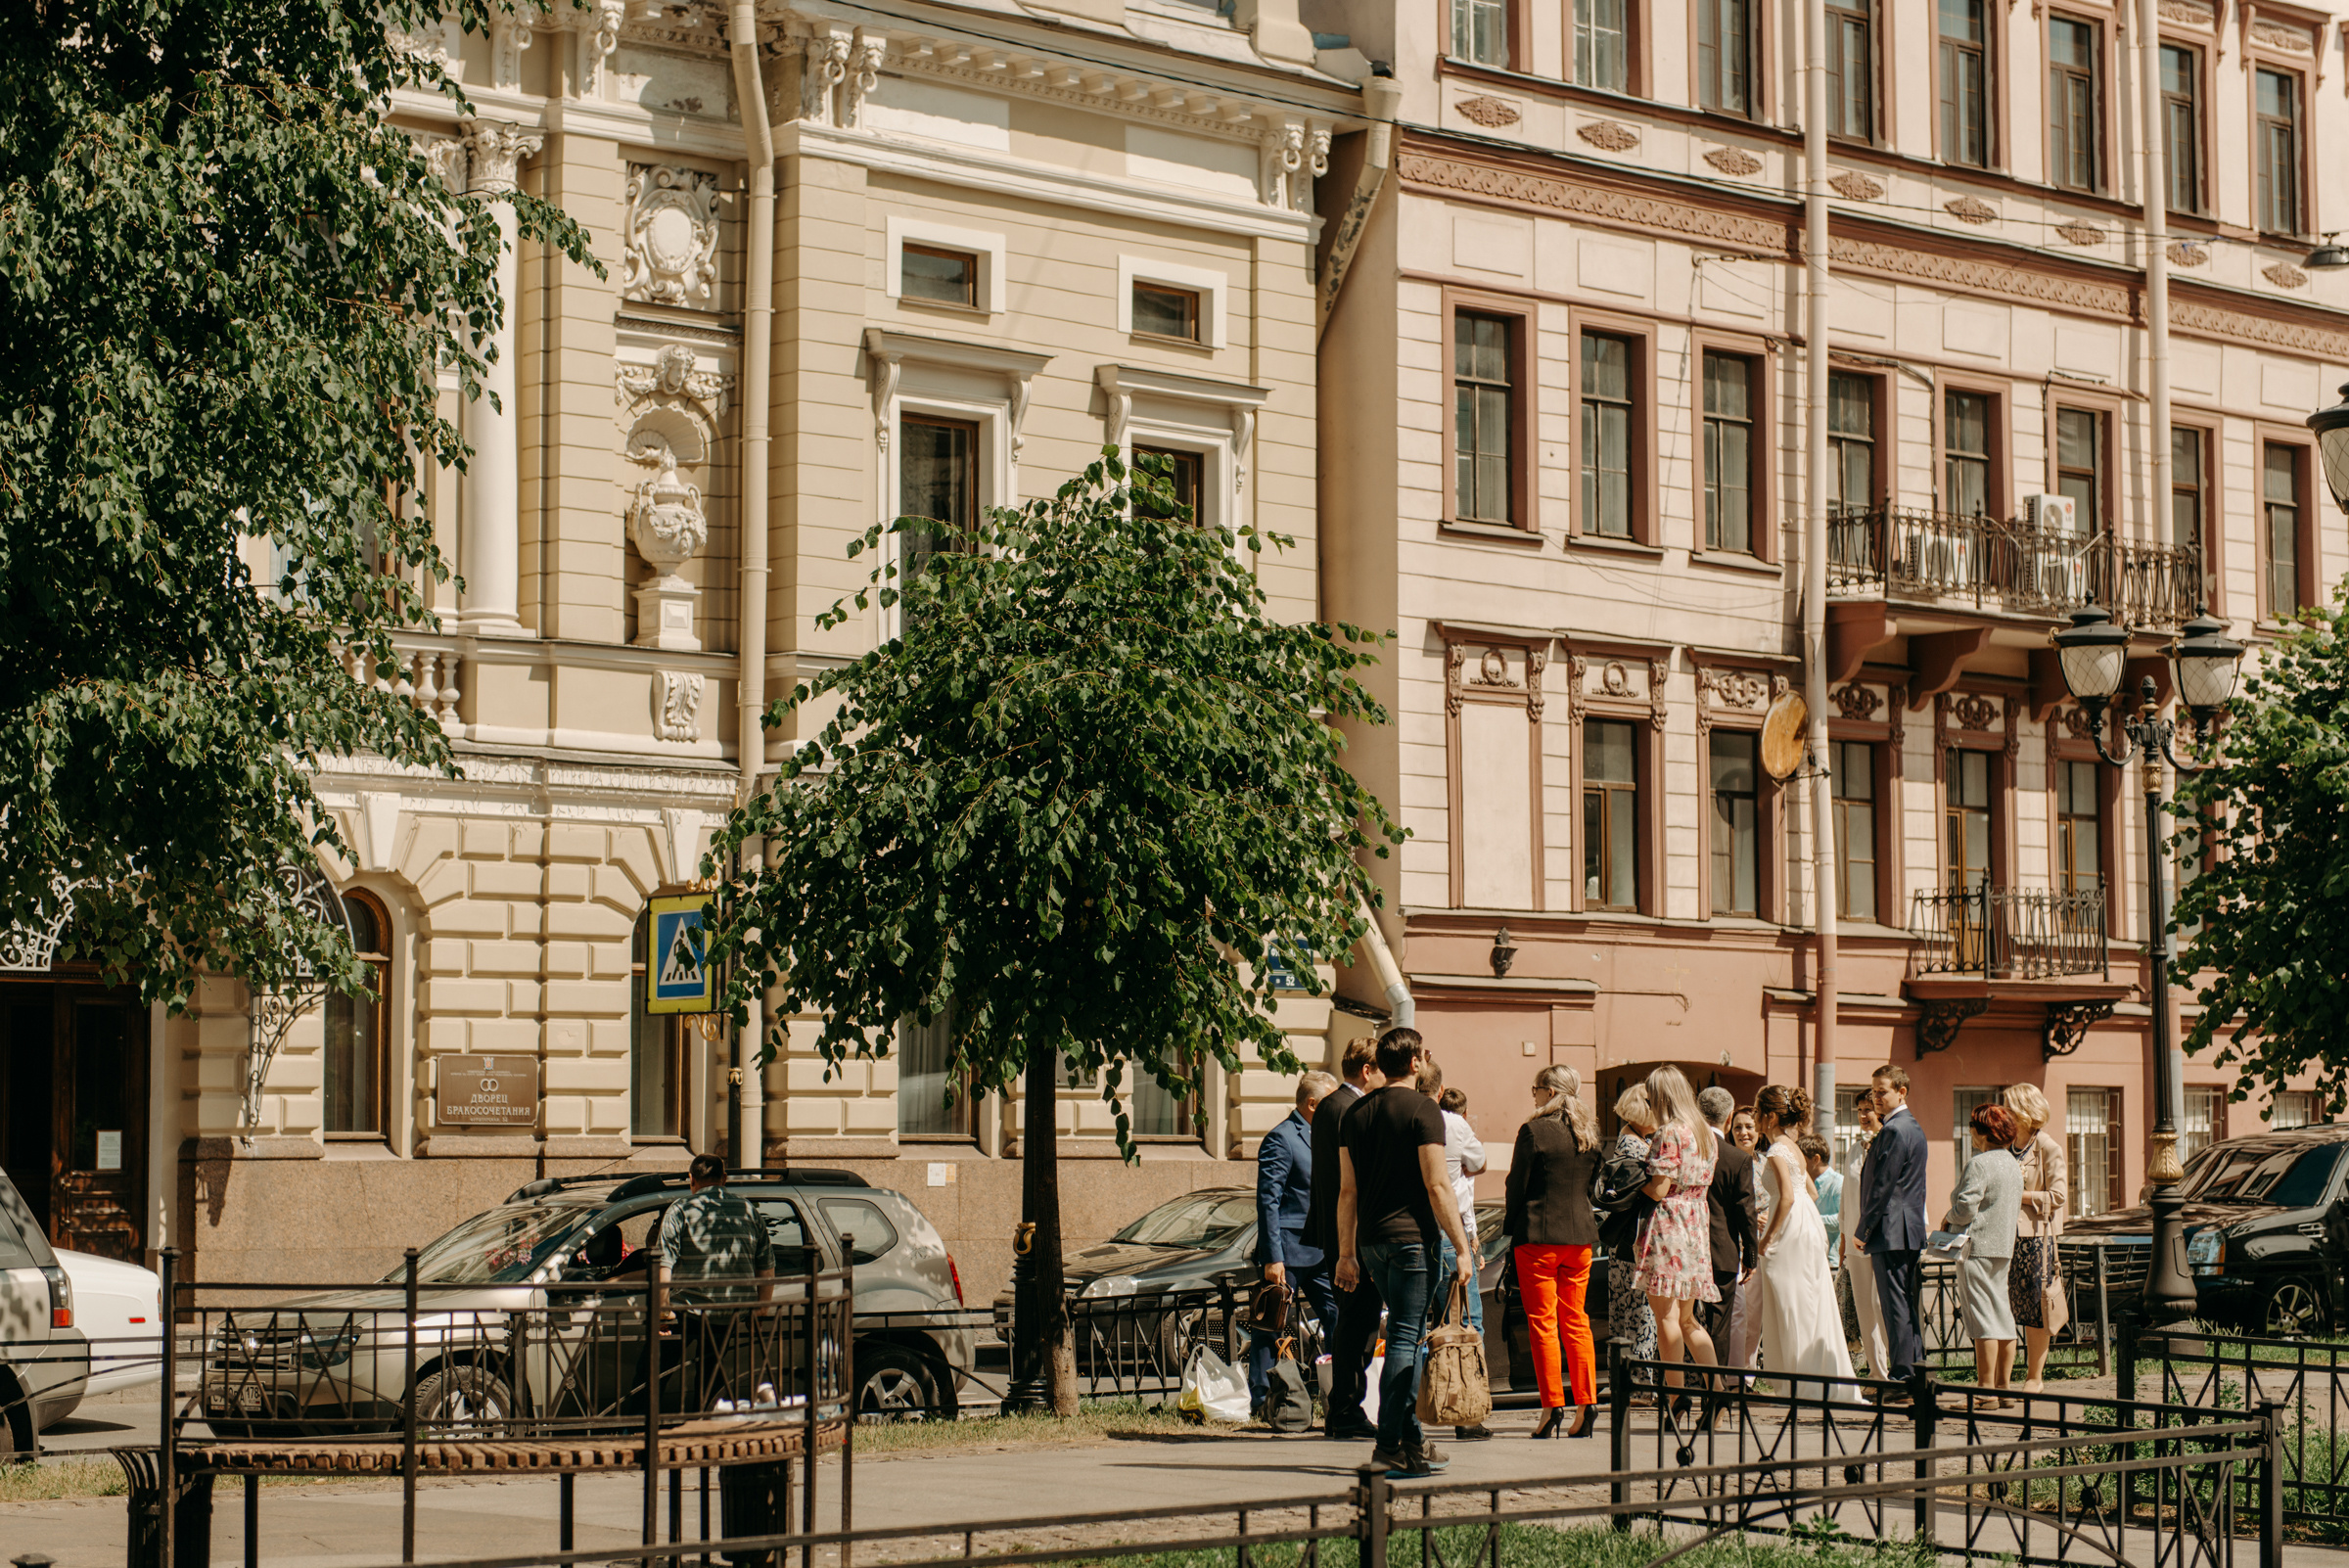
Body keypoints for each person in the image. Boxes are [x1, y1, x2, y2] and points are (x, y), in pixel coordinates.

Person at [1334, 1028, 1475, 1479]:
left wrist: (1346, 1253)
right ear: (1415, 1063)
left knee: (1403, 1334)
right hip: (1413, 1238)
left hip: (1372, 1242)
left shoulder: (1354, 1114)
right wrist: (1462, 1246)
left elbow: (1347, 1191)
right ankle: (1390, 1444)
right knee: (1404, 1337)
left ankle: (1411, 1440)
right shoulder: (1423, 1110)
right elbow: (1437, 1185)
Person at [1504, 1065, 1602, 1440]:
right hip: (1579, 1240)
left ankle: (1551, 1407)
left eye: (1535, 1089)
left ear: (1548, 1091)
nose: (1533, 1095)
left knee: (1543, 1324)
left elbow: (1517, 1185)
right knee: (1576, 1321)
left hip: (1539, 1237)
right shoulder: (1588, 1134)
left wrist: (1511, 1229)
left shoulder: (1534, 1130)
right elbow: (1592, 1187)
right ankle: (1587, 1401)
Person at [1748, 1085, 1857, 1399]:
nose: (1754, 1118)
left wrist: (1767, 1238)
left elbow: (1789, 1196)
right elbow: (1811, 1192)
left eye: (1756, 1112)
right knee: (1809, 1301)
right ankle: (1815, 1376)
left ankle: (1801, 1381)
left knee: (1792, 1303)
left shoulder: (1777, 1150)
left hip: (1791, 1232)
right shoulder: (1792, 1147)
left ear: (1770, 1117)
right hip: (1806, 1227)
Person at [1306, 1037, 1384, 1441]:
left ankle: (1344, 1409)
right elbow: (1347, 1183)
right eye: (1381, 1068)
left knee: (1355, 1321)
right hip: (1349, 1236)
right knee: (1358, 1323)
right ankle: (1346, 1407)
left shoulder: (1332, 1105)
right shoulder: (1348, 1108)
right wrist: (1349, 1248)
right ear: (1367, 1070)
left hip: (1340, 1233)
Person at [657, 1154, 777, 1409]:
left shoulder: (680, 1210)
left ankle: (640, 1426)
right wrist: (762, 1308)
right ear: (725, 1179)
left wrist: (663, 1313)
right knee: (711, 1373)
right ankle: (706, 1424)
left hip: (689, 1309)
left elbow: (664, 1263)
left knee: (655, 1371)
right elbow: (766, 1264)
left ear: (692, 1179)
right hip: (731, 1312)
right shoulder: (748, 1210)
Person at [1250, 1070, 1338, 1417]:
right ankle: (1263, 1400)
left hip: (1322, 1251)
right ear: (1313, 1104)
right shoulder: (1281, 1138)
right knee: (1271, 1325)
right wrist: (1273, 1257)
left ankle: (1334, 1392)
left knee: (1337, 1316)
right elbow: (1267, 1201)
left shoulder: (1327, 1137)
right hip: (1287, 1251)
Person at [1635, 1065, 1721, 1408]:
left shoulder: (1669, 1132)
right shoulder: (1703, 1132)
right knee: (1688, 1319)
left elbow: (1659, 1189)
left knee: (1666, 1318)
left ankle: (1675, 1395)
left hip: (1670, 1224)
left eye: (1649, 1096)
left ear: (1660, 1097)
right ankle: (1717, 1393)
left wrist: (1633, 1180)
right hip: (1697, 1222)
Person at [1418, 1064, 1492, 1442]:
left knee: (1414, 1325)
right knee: (1467, 1321)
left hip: (1412, 1231)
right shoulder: (1454, 1124)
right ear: (1441, 1087)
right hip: (1450, 1231)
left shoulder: (1405, 1115)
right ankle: (1467, 1413)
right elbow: (1479, 1163)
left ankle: (1410, 1415)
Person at [1854, 1064, 1928, 1400]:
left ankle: (1901, 1376)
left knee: (1894, 1305)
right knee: (1905, 1304)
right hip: (1907, 1228)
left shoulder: (1895, 1130)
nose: (1876, 1098)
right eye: (1873, 1092)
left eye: (1882, 1091)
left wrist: (1863, 1229)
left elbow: (1882, 1186)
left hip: (1891, 1229)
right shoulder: (1912, 1127)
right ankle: (1916, 1372)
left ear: (1902, 1092)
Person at [1944, 1102, 2023, 1409]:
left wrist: (1948, 1216)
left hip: (1976, 1247)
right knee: (2002, 1315)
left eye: (1973, 1127)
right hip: (2004, 1247)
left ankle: (1985, 1390)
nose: (1970, 1133)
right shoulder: (2011, 1162)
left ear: (1984, 1131)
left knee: (1982, 1319)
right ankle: (2004, 1388)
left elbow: (1965, 1208)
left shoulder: (1980, 1163)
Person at [2004, 1083, 2069, 1394]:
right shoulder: (2004, 1146)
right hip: (2003, 1235)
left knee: (2036, 1306)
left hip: (2035, 1238)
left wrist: (2021, 1194)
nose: (2005, 1113)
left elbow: (2058, 1196)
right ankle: (1999, 1376)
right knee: (2004, 1305)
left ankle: (2034, 1376)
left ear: (2027, 1112)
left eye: (2010, 1108)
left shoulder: (2047, 1146)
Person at [1598, 1084, 1660, 1394]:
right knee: (1638, 1311)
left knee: (1626, 1311)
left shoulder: (1634, 1139)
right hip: (1634, 1242)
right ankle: (1637, 1383)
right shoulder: (1634, 1147)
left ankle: (1626, 1381)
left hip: (1625, 1241)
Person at [1695, 1085, 1759, 1370]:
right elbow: (1745, 1212)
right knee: (1718, 1323)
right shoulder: (1737, 1158)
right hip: (1721, 1250)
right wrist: (1751, 1257)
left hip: (1684, 1248)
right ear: (1730, 1118)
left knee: (1681, 1319)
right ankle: (1715, 1392)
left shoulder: (1684, 1151)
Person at [1843, 1100, 1891, 1380]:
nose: (1862, 1115)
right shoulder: (1853, 1150)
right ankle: (1876, 1372)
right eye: (1858, 1109)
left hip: (1881, 1237)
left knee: (1880, 1303)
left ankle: (1896, 1369)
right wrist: (1842, 1236)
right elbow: (1845, 1196)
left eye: (1867, 1109)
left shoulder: (1888, 1144)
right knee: (1863, 1307)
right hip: (1853, 1237)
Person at [1800, 1134, 1841, 1270]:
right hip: (1808, 1261)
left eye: (1801, 1159)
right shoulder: (1802, 1183)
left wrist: (1809, 1219)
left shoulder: (1838, 1183)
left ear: (1816, 1159)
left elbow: (1841, 1221)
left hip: (1831, 1263)